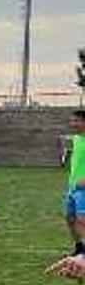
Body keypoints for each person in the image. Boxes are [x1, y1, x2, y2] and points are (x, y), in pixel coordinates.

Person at [60, 110, 85, 256]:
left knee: (82, 220)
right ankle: (79, 247)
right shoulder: (76, 139)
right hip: (73, 187)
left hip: (84, 188)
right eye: (72, 121)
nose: (73, 124)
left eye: (76, 121)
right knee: (70, 219)